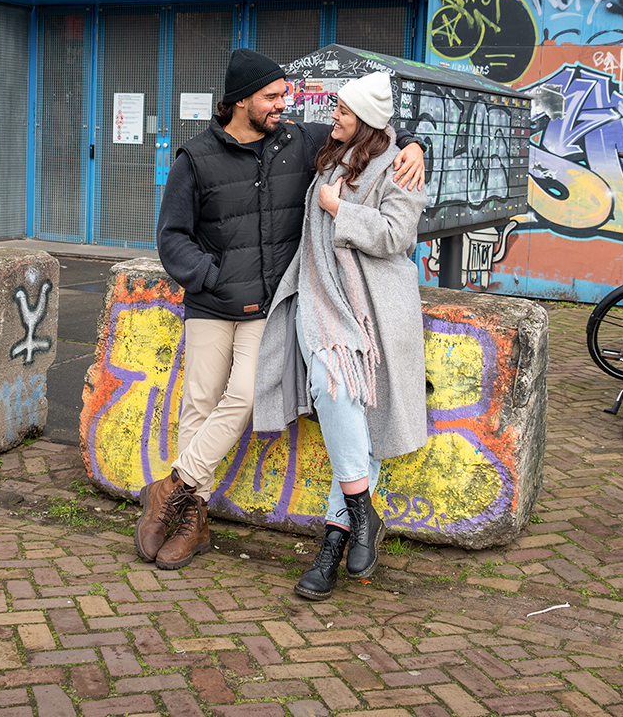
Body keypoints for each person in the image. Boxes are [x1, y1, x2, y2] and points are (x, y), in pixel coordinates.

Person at [142, 49, 425, 570]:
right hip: (209, 302)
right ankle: (192, 518)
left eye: (283, 96)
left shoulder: (298, 140)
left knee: (246, 395)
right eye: (271, 97)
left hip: (265, 308)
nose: (283, 105)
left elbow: (369, 125)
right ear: (240, 100)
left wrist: (414, 144)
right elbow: (172, 237)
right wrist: (211, 276)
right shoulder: (195, 157)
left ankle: (172, 486)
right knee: (199, 403)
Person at [252, 71, 428, 600]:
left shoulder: (399, 166)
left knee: (361, 411)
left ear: (367, 121)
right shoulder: (328, 154)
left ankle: (334, 542)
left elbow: (399, 235)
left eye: (344, 112)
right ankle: (361, 511)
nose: (335, 118)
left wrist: (339, 210)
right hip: (319, 297)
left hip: (376, 309)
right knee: (332, 385)